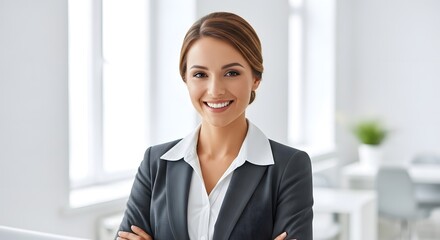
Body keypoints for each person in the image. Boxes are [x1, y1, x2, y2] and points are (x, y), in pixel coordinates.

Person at [116, 12, 313, 240]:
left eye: (231, 73)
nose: (215, 90)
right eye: (200, 74)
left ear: (255, 78)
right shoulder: (156, 163)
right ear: (186, 80)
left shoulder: (288, 168)